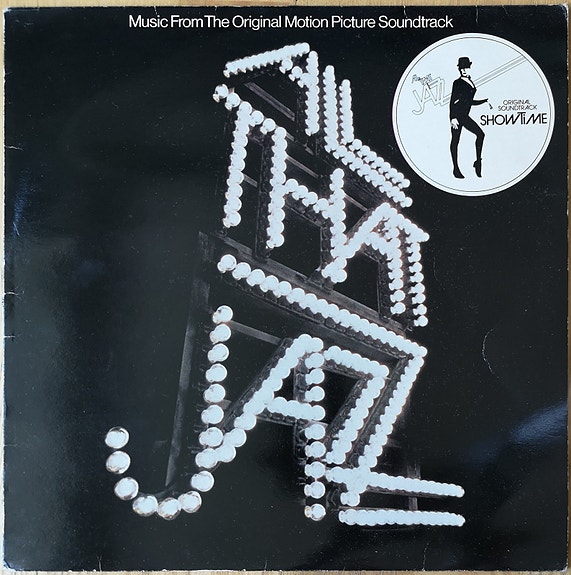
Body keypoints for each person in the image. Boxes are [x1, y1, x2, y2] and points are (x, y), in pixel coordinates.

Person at [449, 57, 488, 178]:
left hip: (464, 115)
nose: (463, 70)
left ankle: (478, 162)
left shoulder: (470, 82)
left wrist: (484, 101)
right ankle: (456, 169)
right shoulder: (457, 82)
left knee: (480, 134)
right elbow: (453, 101)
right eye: (461, 68)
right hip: (458, 115)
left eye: (465, 68)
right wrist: (452, 118)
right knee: (455, 140)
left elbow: (468, 102)